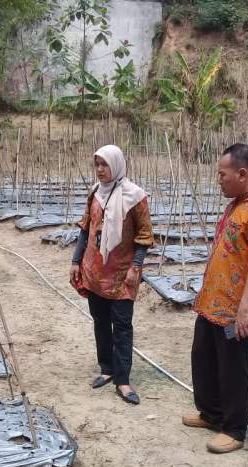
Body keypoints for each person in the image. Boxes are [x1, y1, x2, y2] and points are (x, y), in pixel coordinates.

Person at [183, 144, 248, 454]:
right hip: (213, 304)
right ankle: (211, 414)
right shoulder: (238, 204)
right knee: (204, 359)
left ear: (242, 173)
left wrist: (244, 310)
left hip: (237, 311)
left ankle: (234, 429)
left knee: (234, 369)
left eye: (222, 174)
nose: (219, 180)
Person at [70, 144, 154, 405]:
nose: (99, 170)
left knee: (122, 325)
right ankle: (106, 368)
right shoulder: (95, 193)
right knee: (100, 321)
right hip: (95, 270)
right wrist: (76, 261)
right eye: (96, 164)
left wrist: (135, 267)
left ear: (116, 165)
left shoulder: (135, 196)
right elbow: (86, 228)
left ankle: (123, 379)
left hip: (121, 274)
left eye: (104, 164)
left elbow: (143, 237)